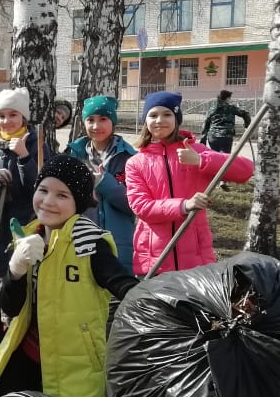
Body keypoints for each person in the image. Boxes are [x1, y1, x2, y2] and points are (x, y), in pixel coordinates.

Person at [0, 155, 138, 397]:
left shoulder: (89, 244)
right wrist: (15, 270)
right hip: (24, 359)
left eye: (62, 195)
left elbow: (124, 286)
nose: (48, 202)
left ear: (78, 202)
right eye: (43, 190)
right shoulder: (28, 238)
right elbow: (10, 307)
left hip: (74, 370)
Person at [125, 91, 254, 276]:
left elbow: (246, 171)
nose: (159, 120)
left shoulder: (195, 152)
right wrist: (184, 206)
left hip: (196, 258)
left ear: (177, 119)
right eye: (153, 115)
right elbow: (141, 207)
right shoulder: (136, 163)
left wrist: (201, 160)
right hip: (154, 260)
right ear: (145, 120)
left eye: (167, 114)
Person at [0, 87, 48, 350]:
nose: (7, 120)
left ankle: (16, 335)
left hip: (22, 227)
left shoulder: (37, 145)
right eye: (2, 115)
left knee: (16, 283)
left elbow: (41, 188)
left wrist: (24, 157)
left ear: (23, 116)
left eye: (13, 114)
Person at [65, 95, 137, 273]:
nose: (96, 126)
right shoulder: (74, 156)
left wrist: (104, 182)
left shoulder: (129, 157)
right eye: (90, 120)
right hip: (82, 240)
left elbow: (134, 205)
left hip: (120, 243)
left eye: (103, 119)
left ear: (113, 121)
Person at [201, 89, 250, 154]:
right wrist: (246, 124)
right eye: (230, 98)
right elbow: (245, 114)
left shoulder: (212, 109)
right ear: (227, 98)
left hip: (213, 137)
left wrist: (203, 138)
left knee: (215, 156)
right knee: (225, 157)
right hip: (226, 137)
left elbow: (206, 123)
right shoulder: (231, 108)